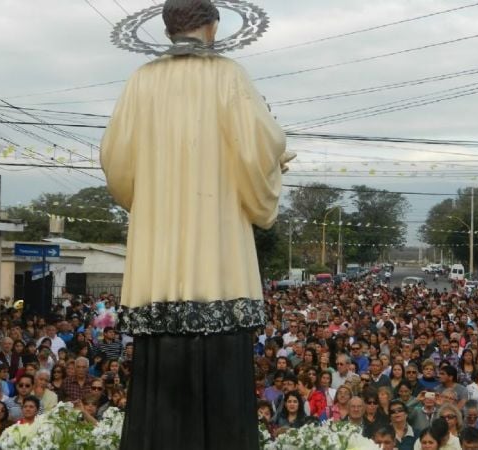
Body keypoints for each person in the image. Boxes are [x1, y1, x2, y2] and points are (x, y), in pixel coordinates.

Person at [101, 0, 289, 448]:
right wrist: (274, 166)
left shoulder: (140, 82)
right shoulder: (228, 75)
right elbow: (260, 147)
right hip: (218, 259)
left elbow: (115, 159)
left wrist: (152, 200)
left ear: (166, 30)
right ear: (212, 27)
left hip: (158, 267)